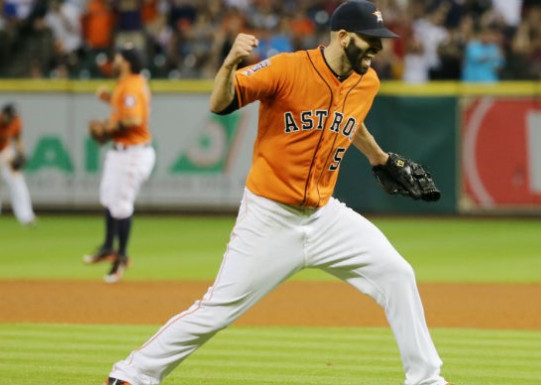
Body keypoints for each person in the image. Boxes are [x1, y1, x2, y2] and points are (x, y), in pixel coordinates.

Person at [102, 1, 453, 385]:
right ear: (342, 37)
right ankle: (132, 373)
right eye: (369, 40)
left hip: (325, 217)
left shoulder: (366, 82)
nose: (377, 48)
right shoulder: (287, 68)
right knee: (218, 308)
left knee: (396, 273)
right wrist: (228, 62)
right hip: (269, 217)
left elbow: (349, 122)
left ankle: (425, 379)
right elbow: (221, 102)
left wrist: (379, 159)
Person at [82, 45, 156, 284]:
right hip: (120, 152)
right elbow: (125, 110)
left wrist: (107, 127)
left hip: (133, 153)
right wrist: (109, 99)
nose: (114, 60)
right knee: (108, 198)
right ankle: (108, 248)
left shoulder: (133, 84)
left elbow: (134, 119)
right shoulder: (124, 84)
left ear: (126, 62)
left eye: (117, 57)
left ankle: (121, 257)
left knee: (122, 204)